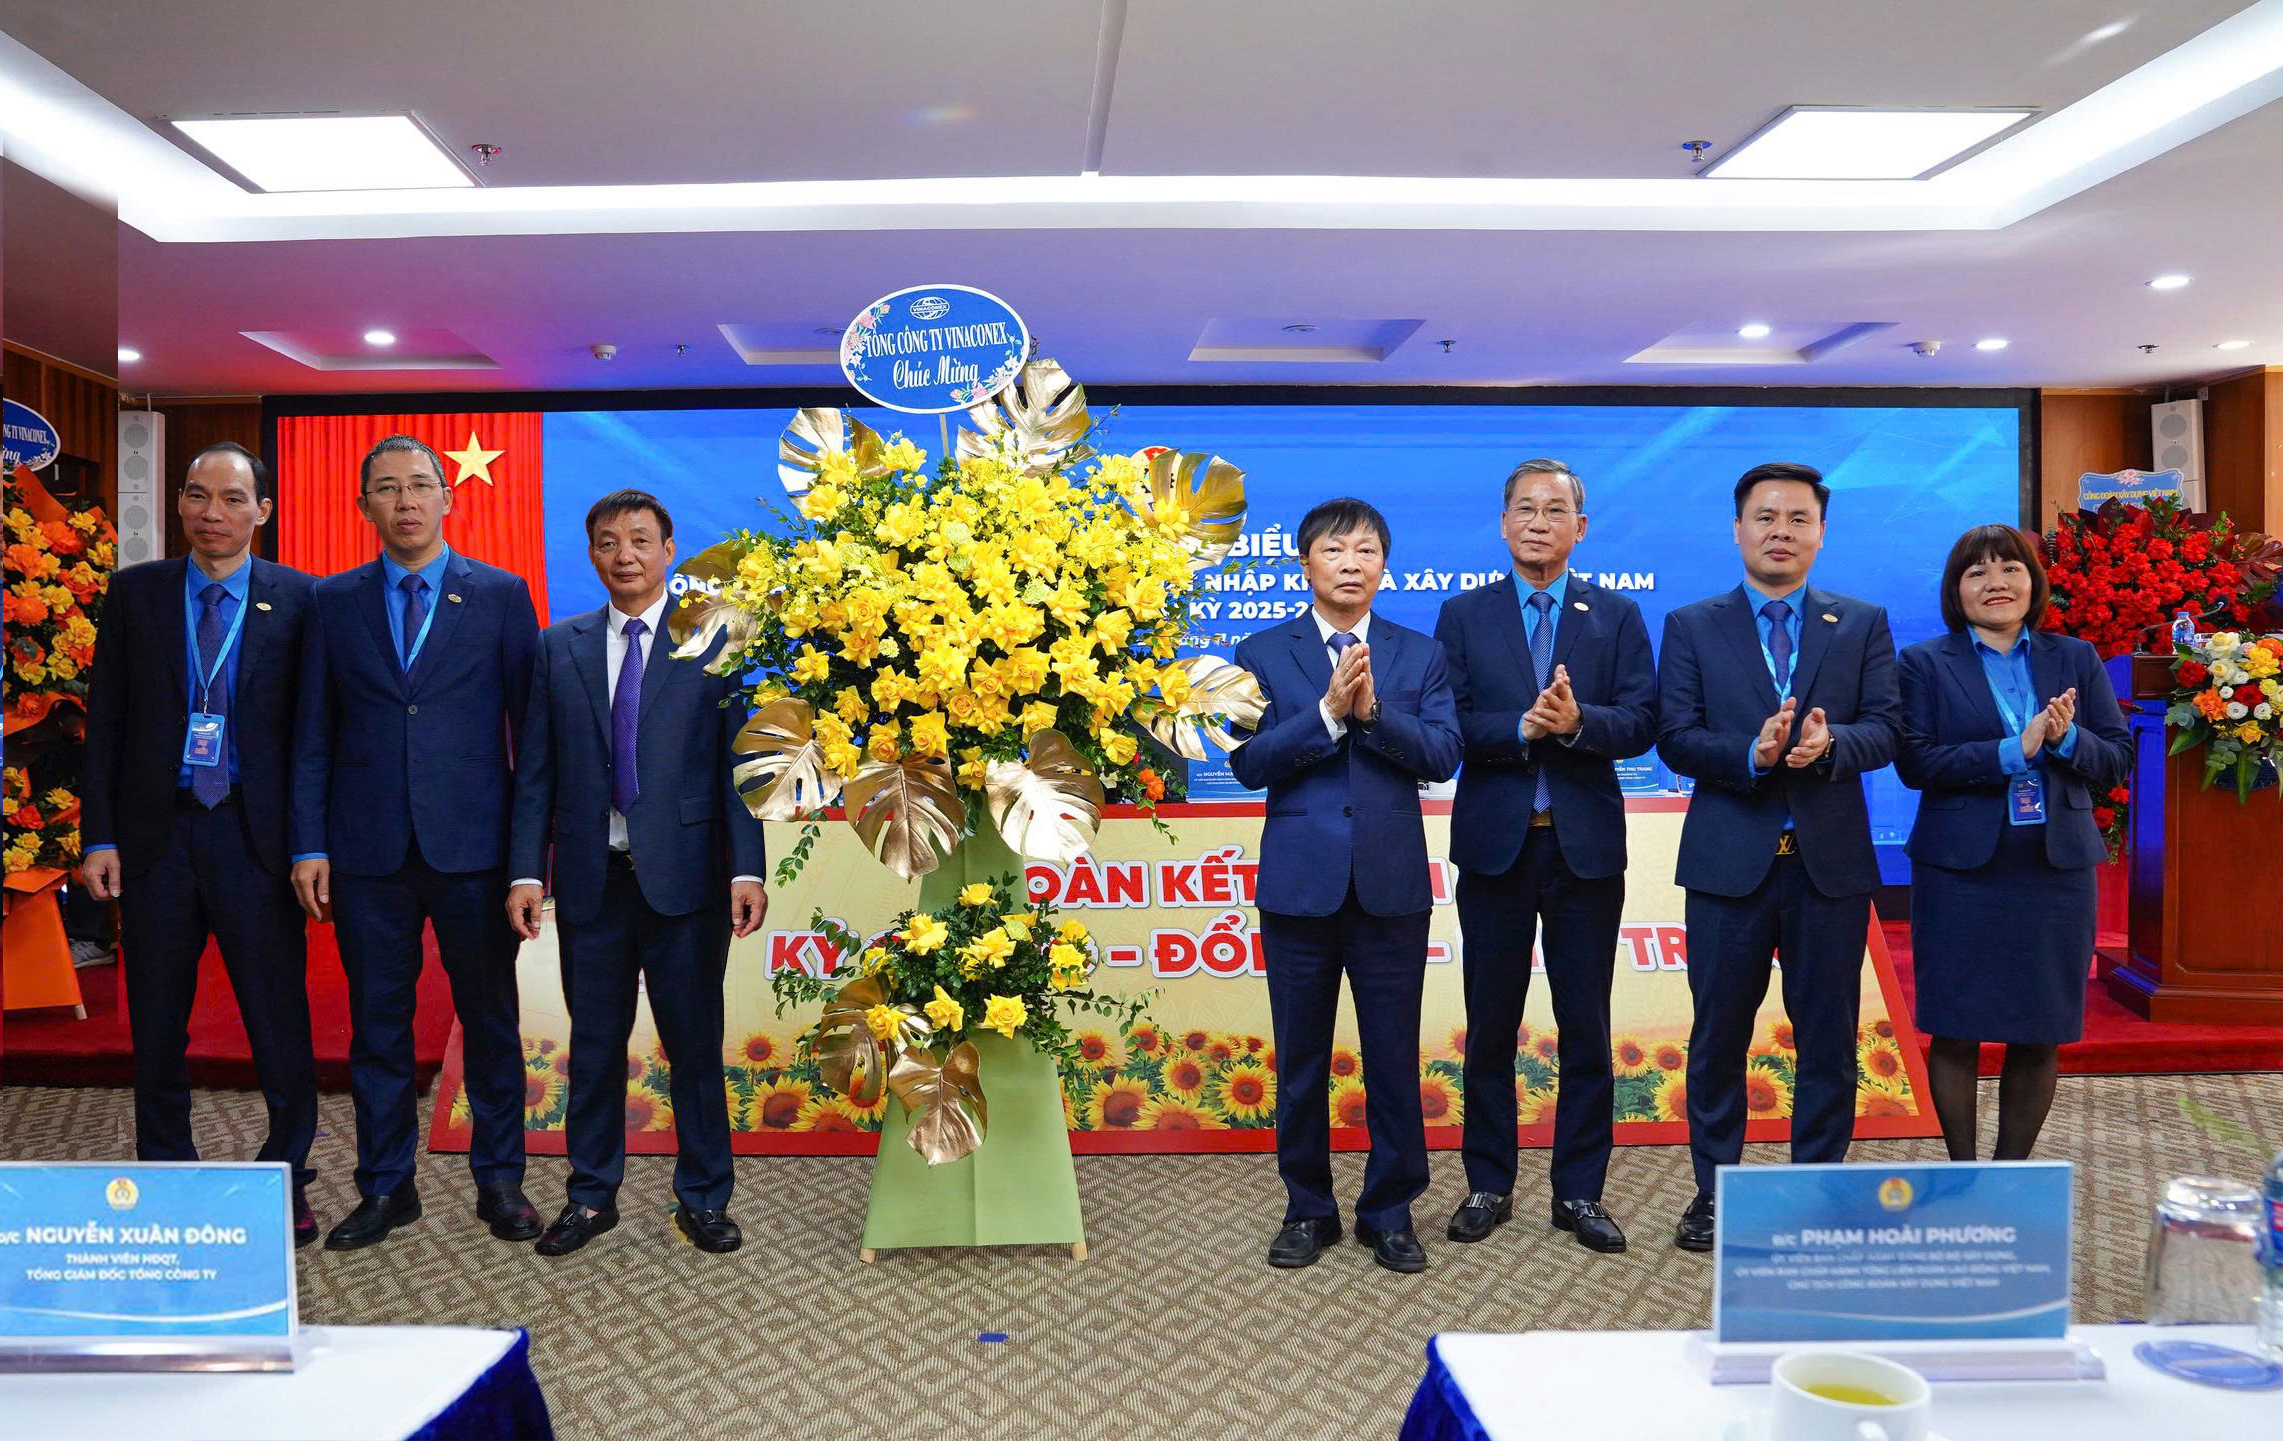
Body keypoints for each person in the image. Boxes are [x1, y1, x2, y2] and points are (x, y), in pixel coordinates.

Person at [291, 434, 541, 1250]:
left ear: (447, 497)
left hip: (475, 852)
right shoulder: (332, 601)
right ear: (363, 503)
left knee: (490, 1022)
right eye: (388, 488)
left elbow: (530, 738)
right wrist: (308, 845)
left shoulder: (500, 594)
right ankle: (384, 1185)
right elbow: (312, 735)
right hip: (365, 852)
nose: (406, 501)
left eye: (420, 485)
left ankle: (500, 1180)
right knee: (378, 1028)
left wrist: (526, 862)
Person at [507, 490, 768, 1256]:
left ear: (667, 549)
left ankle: (704, 1196)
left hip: (687, 880)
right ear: (591, 552)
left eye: (640, 540)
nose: (624, 554)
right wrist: (525, 871)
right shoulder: (558, 646)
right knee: (593, 1045)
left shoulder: (713, 640)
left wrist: (747, 871)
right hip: (592, 880)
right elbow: (536, 772)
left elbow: (737, 767)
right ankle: (590, 1195)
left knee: (694, 1044)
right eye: (608, 541)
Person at [80, 442, 322, 1244]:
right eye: (196, 495)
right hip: (158, 838)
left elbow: (314, 735)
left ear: (263, 511)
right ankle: (166, 1172)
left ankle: (286, 1172)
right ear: (180, 502)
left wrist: (310, 844)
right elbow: (106, 721)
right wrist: (99, 834)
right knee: (156, 1019)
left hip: (256, 839)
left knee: (277, 1019)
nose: (211, 512)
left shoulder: (300, 599)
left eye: (230, 498)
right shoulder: (136, 593)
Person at [1656, 461, 1900, 1252]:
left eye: (1797, 518)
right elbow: (1674, 736)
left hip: (1827, 867)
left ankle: (1815, 1189)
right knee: (1717, 1037)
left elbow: (1887, 728)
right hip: (1728, 865)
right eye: (1765, 517)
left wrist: (1831, 746)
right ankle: (1714, 1192)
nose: (1780, 531)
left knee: (1826, 1037)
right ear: (1737, 530)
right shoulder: (1691, 624)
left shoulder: (1859, 622)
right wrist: (1750, 754)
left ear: (1820, 532)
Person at [1230, 497, 1462, 1273]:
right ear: (1305, 564)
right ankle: (1308, 1208)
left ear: (1384, 566)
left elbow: (1441, 753)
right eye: (1334, 550)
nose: (1351, 563)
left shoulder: (1418, 654)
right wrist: (1327, 715)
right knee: (1300, 1060)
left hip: (1390, 888)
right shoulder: (1261, 652)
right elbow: (1248, 762)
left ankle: (1389, 1212)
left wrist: (1371, 713)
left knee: (1393, 1058)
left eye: (1365, 550)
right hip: (1298, 887)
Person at [1433, 458, 1657, 1255]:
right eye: (1524, 508)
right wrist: (1519, 729)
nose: (1538, 521)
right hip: (1495, 846)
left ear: (1579, 527)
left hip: (1582, 848)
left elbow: (1643, 720)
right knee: (1490, 1023)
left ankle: (1579, 1189)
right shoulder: (1463, 614)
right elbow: (1449, 723)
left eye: (1554, 509)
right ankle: (1488, 1182)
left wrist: (1575, 723)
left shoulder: (1616, 615)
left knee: (1585, 1024)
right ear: (1502, 523)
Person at [1897, 525, 2130, 1160]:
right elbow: (1916, 762)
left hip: (2055, 870)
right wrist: (2013, 748)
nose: (1996, 583)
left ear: (2033, 583)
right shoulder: (1924, 662)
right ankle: (1963, 1172)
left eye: (2010, 569)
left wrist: (2064, 739)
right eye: (1977, 572)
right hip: (1960, 870)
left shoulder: (2074, 657)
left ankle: (2008, 1177)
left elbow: (2117, 758)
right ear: (1956, 590)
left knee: (2040, 1028)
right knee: (1955, 1027)